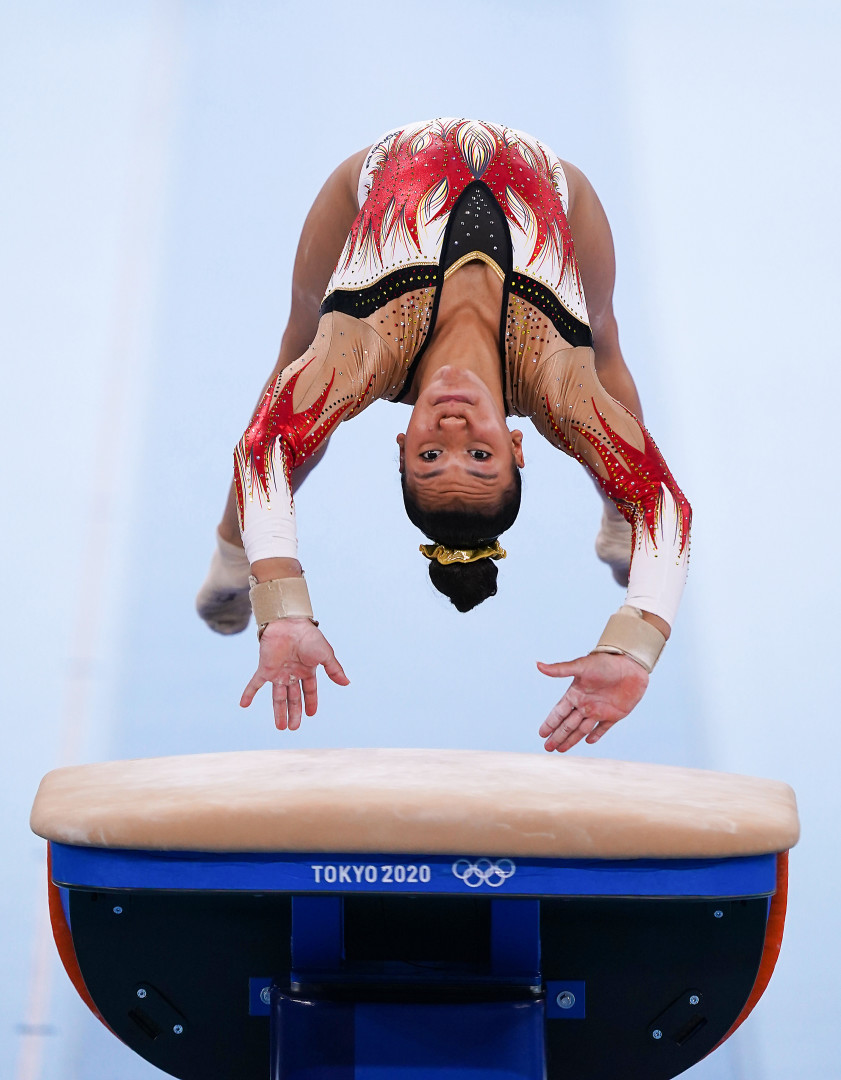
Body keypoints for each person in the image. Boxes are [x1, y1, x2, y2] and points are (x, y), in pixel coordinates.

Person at [195, 118, 691, 752]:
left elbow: (266, 443)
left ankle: (233, 553)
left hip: (363, 185)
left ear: (399, 443)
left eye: (431, 455)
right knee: (604, 349)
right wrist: (637, 642)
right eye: (480, 455)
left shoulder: (361, 352)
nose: (454, 427)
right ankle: (621, 520)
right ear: (519, 446)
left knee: (297, 367)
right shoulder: (559, 383)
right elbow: (667, 504)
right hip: (564, 194)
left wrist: (282, 600)